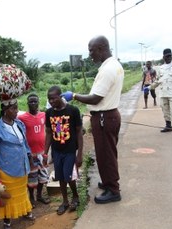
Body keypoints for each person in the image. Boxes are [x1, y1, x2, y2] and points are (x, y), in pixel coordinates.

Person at [62, 35, 123, 204]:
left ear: (101, 48)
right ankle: (109, 181)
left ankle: (113, 190)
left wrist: (73, 95)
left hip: (104, 117)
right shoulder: (113, 65)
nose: (90, 54)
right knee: (107, 152)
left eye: (91, 50)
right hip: (109, 115)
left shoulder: (107, 70)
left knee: (106, 154)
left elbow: (95, 98)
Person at [0, 99, 35, 229]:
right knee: (7, 195)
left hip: (22, 165)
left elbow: (24, 144)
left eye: (17, 108)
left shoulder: (19, 124)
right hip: (6, 168)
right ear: (5, 110)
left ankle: (26, 211)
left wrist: (30, 158)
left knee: (22, 191)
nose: (16, 111)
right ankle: (7, 220)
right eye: (13, 108)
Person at [44, 86, 83, 215]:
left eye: (53, 98)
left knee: (69, 176)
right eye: (49, 99)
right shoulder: (49, 113)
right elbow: (49, 133)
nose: (51, 101)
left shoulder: (73, 110)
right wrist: (45, 152)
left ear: (60, 96)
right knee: (60, 176)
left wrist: (80, 154)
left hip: (70, 150)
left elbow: (79, 132)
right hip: (57, 150)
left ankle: (75, 196)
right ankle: (65, 201)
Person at [18, 93, 51, 207]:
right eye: (31, 102)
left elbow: (50, 127)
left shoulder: (44, 115)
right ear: (27, 104)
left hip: (42, 152)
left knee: (42, 176)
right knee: (32, 177)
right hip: (30, 154)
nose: (33, 103)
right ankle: (31, 197)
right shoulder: (22, 118)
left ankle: (40, 195)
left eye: (35, 101)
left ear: (38, 103)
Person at [144, 48, 172, 136]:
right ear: (163, 57)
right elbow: (158, 81)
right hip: (163, 93)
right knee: (165, 109)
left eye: (170, 56)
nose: (169, 58)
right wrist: (149, 87)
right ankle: (168, 126)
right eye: (167, 56)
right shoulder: (161, 68)